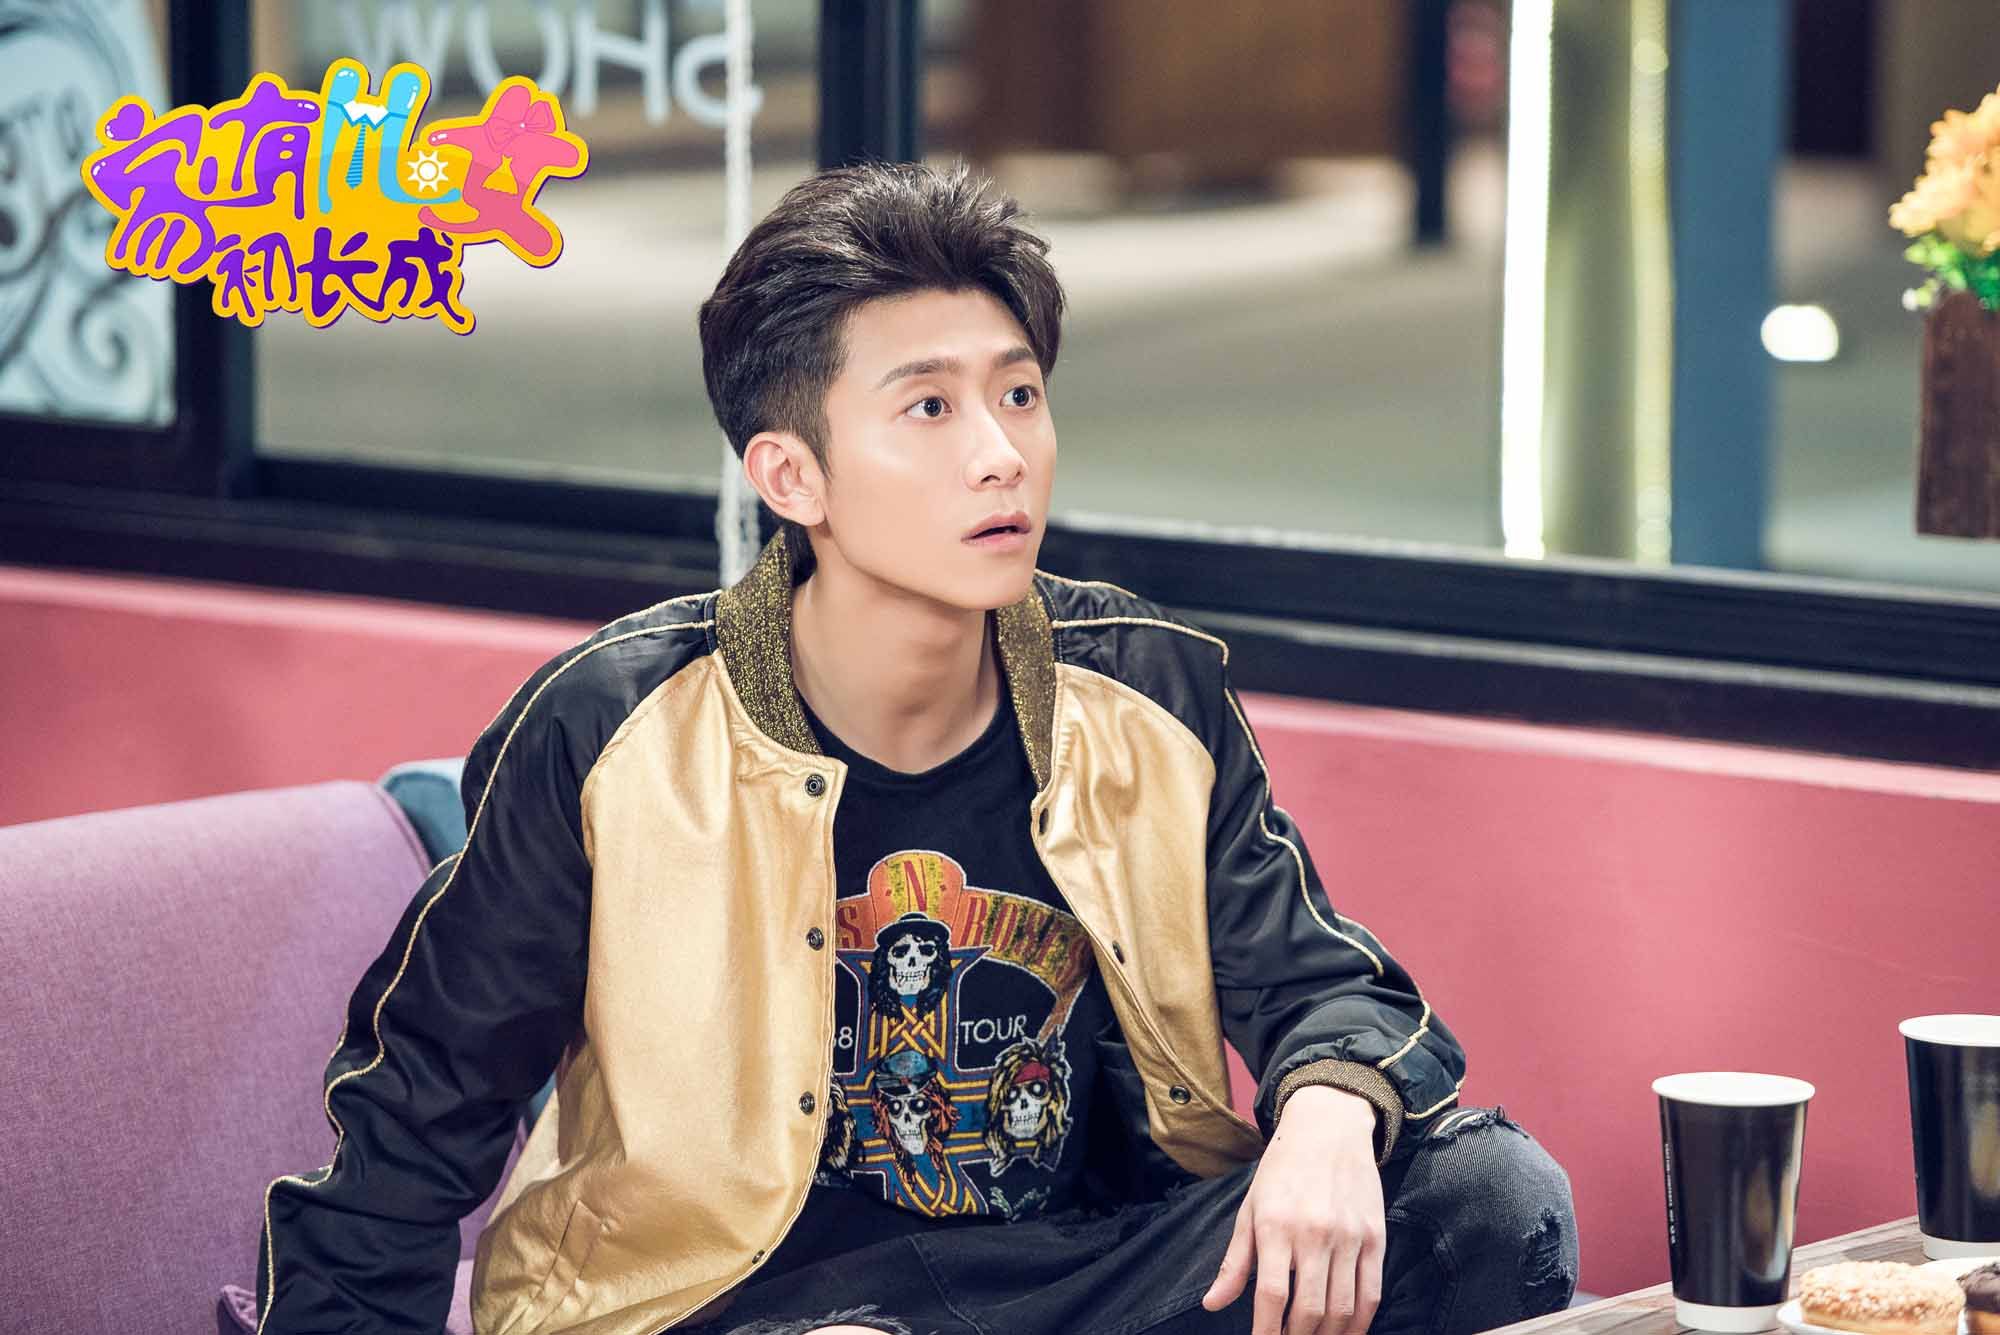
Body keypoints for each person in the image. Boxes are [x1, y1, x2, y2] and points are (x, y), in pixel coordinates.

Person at [254, 159, 1576, 1335]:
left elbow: (1320, 984)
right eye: (931, 409)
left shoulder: (1146, 695)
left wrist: (1331, 1112)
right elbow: (416, 1119)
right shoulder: (610, 730)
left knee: (1485, 1199)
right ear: (793, 476)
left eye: (1019, 393)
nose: (1002, 455)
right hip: (727, 1305)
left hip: (1072, 1282)